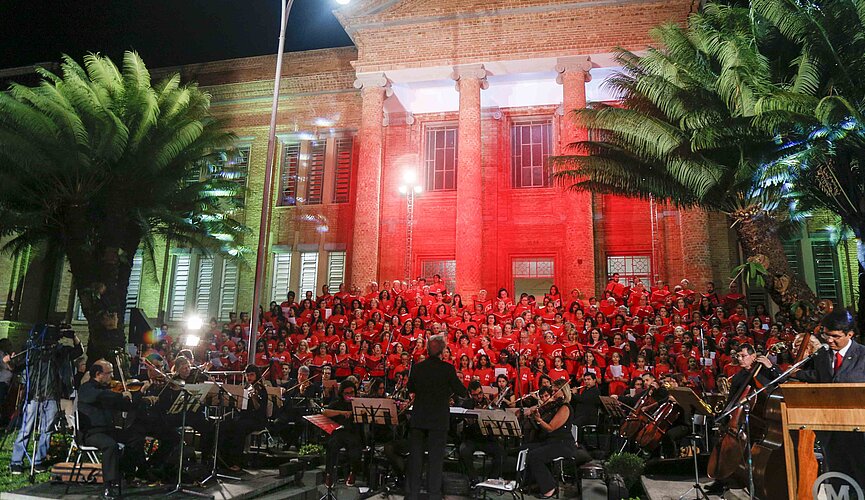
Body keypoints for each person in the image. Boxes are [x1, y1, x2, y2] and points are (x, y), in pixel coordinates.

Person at [793, 311, 865, 491]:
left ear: (850, 334)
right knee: (838, 482)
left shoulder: (862, 355)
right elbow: (817, 379)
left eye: (835, 336)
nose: (829, 340)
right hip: (831, 431)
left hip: (859, 432)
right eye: (826, 335)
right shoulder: (822, 356)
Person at [7, 325, 83, 474]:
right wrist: (8, 362)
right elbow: (16, 368)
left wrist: (73, 336)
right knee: (26, 429)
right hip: (33, 396)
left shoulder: (60, 351)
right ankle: (16, 461)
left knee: (46, 430)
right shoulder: (32, 351)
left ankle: (39, 460)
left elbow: (79, 351)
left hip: (52, 395)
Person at [406, 334, 467, 499]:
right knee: (435, 461)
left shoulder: (418, 368)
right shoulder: (447, 369)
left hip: (419, 418)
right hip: (438, 420)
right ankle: (433, 495)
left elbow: (410, 387)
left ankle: (412, 494)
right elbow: (461, 391)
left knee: (416, 460)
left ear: (427, 349)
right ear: (443, 351)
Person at [77, 359, 141, 499]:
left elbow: (125, 406)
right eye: (109, 373)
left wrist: (138, 395)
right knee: (110, 446)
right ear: (99, 374)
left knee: (136, 438)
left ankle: (125, 474)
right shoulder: (87, 389)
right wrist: (119, 395)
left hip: (108, 431)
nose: (112, 377)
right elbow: (98, 396)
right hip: (91, 433)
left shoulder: (107, 391)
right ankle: (108, 486)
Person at [523, 381, 586, 498]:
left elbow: (551, 428)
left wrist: (539, 420)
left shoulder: (565, 408)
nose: (552, 393)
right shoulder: (555, 406)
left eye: (555, 391)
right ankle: (534, 483)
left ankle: (549, 487)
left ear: (563, 392)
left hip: (563, 445)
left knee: (534, 455)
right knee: (525, 449)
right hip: (552, 442)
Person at [220, 365, 268, 471]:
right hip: (244, 417)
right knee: (224, 423)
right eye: (247, 375)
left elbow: (259, 409)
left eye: (252, 375)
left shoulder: (261, 390)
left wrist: (254, 398)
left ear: (257, 375)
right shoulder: (245, 388)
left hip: (256, 419)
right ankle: (223, 458)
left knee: (240, 428)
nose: (249, 377)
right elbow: (241, 408)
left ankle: (237, 462)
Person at [458, 380, 506, 485]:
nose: (479, 397)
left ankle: (491, 480)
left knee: (500, 452)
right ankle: (473, 479)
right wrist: (468, 421)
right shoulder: (467, 404)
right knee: (463, 450)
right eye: (475, 395)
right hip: (472, 439)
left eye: (480, 393)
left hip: (487, 439)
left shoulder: (489, 402)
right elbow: (458, 420)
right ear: (470, 394)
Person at [322, 379, 362, 487]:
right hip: (339, 433)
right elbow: (325, 412)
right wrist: (342, 413)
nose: (349, 395)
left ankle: (353, 473)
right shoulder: (337, 403)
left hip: (353, 432)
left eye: (352, 393)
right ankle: (329, 474)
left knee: (356, 446)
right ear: (342, 393)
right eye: (347, 393)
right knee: (332, 444)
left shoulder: (358, 403)